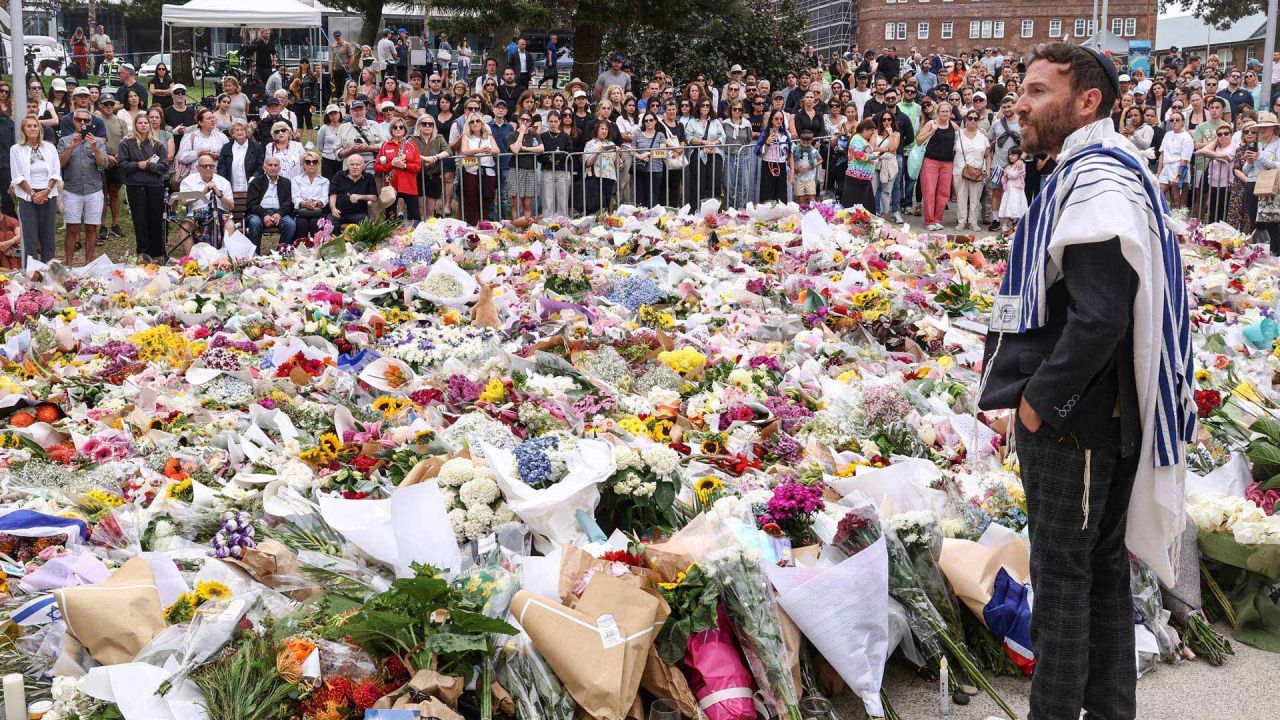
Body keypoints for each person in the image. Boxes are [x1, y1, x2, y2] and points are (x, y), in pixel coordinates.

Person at [978, 42, 1196, 720]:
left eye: (1038, 91)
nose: (1020, 104)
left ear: (1087, 102)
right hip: (1097, 421)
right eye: (1023, 90)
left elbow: (1101, 318)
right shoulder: (1095, 170)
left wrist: (1041, 404)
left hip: (1076, 427)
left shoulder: (1098, 181)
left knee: (1064, 588)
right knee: (1099, 580)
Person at [58, 109, 107, 266]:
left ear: (91, 123)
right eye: (79, 120)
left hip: (94, 190)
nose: (82, 123)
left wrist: (95, 147)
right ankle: (69, 264)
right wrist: (71, 147)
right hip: (72, 190)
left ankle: (88, 264)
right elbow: (59, 164)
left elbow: (103, 164)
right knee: (72, 229)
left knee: (91, 228)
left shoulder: (98, 142)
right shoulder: (64, 141)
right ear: (74, 121)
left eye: (86, 120)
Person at [118, 114, 170, 261]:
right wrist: (137, 165)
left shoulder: (157, 145)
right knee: (140, 219)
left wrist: (148, 166)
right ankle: (143, 252)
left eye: (145, 122)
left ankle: (157, 253)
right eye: (140, 123)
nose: (143, 125)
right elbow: (122, 165)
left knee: (155, 219)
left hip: (155, 186)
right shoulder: (126, 143)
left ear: (149, 125)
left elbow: (164, 166)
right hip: (135, 185)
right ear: (135, 125)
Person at [9, 116, 61, 263]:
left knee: (48, 238)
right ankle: (31, 273)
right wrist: (33, 194)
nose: (33, 128)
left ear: (40, 129)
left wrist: (46, 191)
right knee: (30, 238)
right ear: (23, 130)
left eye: (35, 126)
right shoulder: (16, 149)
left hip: (48, 194)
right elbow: (17, 175)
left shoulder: (49, 148)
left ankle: (49, 271)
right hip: (27, 196)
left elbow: (56, 171)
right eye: (29, 126)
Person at [177, 154, 235, 254]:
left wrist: (219, 194)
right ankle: (191, 260)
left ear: (214, 167)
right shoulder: (188, 181)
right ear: (198, 168)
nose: (208, 168)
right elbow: (184, 202)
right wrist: (202, 193)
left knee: (230, 225)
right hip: (195, 216)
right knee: (185, 228)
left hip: (220, 215)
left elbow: (231, 206)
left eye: (211, 166)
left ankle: (226, 258)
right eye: (204, 166)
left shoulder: (224, 182)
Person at [916, 101, 957, 231]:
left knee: (944, 192)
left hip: (947, 162)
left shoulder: (953, 125)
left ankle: (938, 219)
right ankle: (929, 221)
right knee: (929, 190)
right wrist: (931, 132)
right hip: (931, 161)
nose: (945, 113)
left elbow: (964, 136)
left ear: (950, 113)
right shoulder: (931, 123)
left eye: (947, 111)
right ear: (937, 112)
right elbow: (918, 140)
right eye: (942, 111)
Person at [375, 118, 423, 223]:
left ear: (405, 129)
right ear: (391, 129)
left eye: (401, 127)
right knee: (390, 219)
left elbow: (417, 167)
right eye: (395, 127)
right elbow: (377, 167)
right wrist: (390, 164)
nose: (398, 129)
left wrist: (404, 165)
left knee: (414, 218)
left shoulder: (412, 145)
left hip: (409, 185)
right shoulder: (385, 146)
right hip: (391, 186)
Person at [217, 119, 264, 221]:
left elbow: (260, 166)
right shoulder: (226, 148)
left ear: (246, 132)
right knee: (233, 213)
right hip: (231, 187)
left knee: (250, 213)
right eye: (236, 130)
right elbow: (221, 167)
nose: (239, 132)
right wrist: (224, 184)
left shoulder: (256, 147)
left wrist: (254, 177)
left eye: (242, 130)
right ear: (232, 133)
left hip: (250, 186)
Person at [245, 155, 296, 248]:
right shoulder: (256, 182)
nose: (273, 168)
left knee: (290, 224)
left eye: (275, 165)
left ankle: (281, 251)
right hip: (259, 213)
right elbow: (252, 204)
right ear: (264, 167)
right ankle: (254, 253)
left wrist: (280, 213)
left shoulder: (286, 182)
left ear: (279, 168)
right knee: (254, 222)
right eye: (270, 165)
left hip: (279, 213)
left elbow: (289, 202)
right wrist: (264, 215)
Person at [988, 95, 1022, 229]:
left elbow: (1027, 143)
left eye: (1009, 106)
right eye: (1004, 107)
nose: (1007, 109)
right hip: (998, 164)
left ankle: (1013, 219)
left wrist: (1021, 159)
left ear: (1015, 106)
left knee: (1014, 193)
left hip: (1015, 166)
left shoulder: (1022, 122)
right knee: (996, 192)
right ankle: (995, 219)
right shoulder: (997, 123)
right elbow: (990, 139)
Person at [953, 108, 990, 232]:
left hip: (977, 170)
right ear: (966, 119)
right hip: (960, 170)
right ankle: (961, 221)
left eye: (975, 118)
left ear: (978, 120)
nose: (972, 121)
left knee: (975, 198)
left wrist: (987, 169)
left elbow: (987, 154)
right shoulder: (958, 134)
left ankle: (973, 222)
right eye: (970, 118)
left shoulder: (982, 135)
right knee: (961, 198)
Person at [1194, 121, 1237, 223]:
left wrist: (1208, 153)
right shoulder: (1216, 147)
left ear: (1231, 135)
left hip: (1226, 185)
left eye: (1226, 133)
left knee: (1223, 213)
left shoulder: (1233, 147)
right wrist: (1215, 141)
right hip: (1213, 184)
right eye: (1219, 134)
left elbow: (1222, 157)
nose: (1223, 136)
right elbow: (1200, 152)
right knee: (1213, 212)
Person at [1249, 113, 1280, 251]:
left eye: (1266, 126)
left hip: (1276, 187)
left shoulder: (1278, 143)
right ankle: (1271, 253)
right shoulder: (1257, 144)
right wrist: (1249, 161)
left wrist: (1259, 157)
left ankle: (1276, 253)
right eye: (1260, 127)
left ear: (1274, 127)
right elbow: (1246, 170)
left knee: (1276, 223)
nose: (1262, 129)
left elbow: (1278, 165)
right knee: (1266, 224)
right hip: (1260, 186)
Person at [98, 95, 127, 238]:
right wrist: (105, 156)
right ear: (100, 105)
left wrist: (118, 156)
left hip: (117, 160)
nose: (109, 107)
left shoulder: (120, 122)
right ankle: (102, 225)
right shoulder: (96, 121)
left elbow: (125, 141)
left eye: (111, 104)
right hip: (101, 160)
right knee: (102, 194)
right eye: (106, 104)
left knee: (114, 193)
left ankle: (116, 224)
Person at [176, 108, 229, 187]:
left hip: (217, 178)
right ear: (200, 122)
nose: (212, 120)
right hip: (195, 179)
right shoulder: (190, 136)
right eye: (209, 118)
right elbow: (182, 157)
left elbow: (229, 156)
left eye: (213, 117)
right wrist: (198, 154)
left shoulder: (221, 136)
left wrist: (218, 156)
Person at [1225, 120, 1260, 234]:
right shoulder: (1240, 149)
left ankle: (1250, 239)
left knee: (1251, 215)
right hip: (1240, 186)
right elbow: (1236, 168)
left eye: (1253, 132)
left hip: (1257, 186)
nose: (1249, 134)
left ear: (1257, 133)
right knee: (1235, 215)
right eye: (1246, 132)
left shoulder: (1261, 148)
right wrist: (1248, 181)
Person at [413, 114, 449, 219]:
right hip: (418, 175)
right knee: (420, 209)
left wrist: (435, 157)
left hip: (434, 175)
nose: (427, 126)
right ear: (419, 126)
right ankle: (421, 227)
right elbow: (409, 153)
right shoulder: (412, 138)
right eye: (424, 124)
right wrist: (424, 158)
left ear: (434, 126)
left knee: (430, 209)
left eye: (430, 124)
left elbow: (448, 151)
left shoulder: (439, 138)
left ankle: (430, 227)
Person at [507, 112, 542, 220]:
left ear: (531, 122)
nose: (525, 122)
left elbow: (541, 148)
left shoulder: (534, 135)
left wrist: (525, 149)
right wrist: (522, 132)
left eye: (528, 120)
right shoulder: (512, 135)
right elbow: (515, 150)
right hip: (516, 171)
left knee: (528, 204)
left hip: (531, 170)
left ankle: (526, 226)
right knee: (517, 204)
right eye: (523, 119)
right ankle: (517, 225)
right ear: (518, 120)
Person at [538, 111, 573, 217]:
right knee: (547, 200)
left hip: (562, 171)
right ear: (547, 122)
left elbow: (569, 152)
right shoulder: (542, 136)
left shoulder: (565, 137)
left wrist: (558, 157)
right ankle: (547, 220)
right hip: (547, 170)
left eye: (555, 121)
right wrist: (549, 158)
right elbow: (539, 154)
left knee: (562, 199)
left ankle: (562, 221)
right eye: (551, 121)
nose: (553, 124)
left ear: (559, 122)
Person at [336, 100, 387, 170]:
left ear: (365, 111)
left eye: (361, 110)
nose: (359, 112)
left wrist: (369, 148)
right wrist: (351, 150)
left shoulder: (375, 125)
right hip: (351, 172)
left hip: (373, 170)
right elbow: (337, 152)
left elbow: (385, 145)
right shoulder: (343, 128)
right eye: (355, 110)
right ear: (350, 112)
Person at [1157, 112, 1193, 209]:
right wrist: (1159, 173)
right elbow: (1162, 154)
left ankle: (1180, 218)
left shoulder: (1186, 137)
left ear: (1183, 122)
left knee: (1178, 202)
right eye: (1172, 120)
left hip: (1178, 168)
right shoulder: (1167, 134)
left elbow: (1184, 159)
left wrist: (1178, 177)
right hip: (1166, 167)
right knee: (1158, 195)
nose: (1174, 122)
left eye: (1177, 120)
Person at [755, 109, 791, 204]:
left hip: (781, 164)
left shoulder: (786, 134)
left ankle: (780, 212)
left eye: (781, 119)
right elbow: (758, 152)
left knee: (781, 193)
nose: (779, 121)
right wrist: (766, 143)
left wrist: (792, 171)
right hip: (768, 164)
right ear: (771, 120)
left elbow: (789, 153)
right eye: (776, 119)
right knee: (768, 192)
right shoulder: (765, 133)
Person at [584, 118, 619, 213]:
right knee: (596, 203)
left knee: (607, 202)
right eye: (602, 128)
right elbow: (587, 164)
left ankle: (608, 219)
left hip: (609, 176)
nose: (604, 131)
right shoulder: (590, 144)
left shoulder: (611, 144)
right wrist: (597, 153)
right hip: (595, 177)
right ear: (597, 130)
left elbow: (618, 165)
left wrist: (618, 153)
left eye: (606, 129)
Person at [633, 111, 667, 208]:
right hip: (641, 169)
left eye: (651, 120)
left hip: (656, 169)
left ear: (655, 121)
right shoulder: (638, 134)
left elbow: (662, 152)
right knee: (641, 197)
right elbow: (632, 150)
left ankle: (653, 216)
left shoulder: (660, 135)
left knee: (653, 197)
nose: (648, 122)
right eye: (646, 120)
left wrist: (648, 153)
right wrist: (639, 156)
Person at [841, 118, 876, 210]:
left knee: (865, 206)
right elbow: (859, 156)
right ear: (865, 130)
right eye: (872, 130)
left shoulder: (862, 139)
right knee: (853, 206)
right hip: (856, 178)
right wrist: (872, 156)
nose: (873, 133)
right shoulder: (857, 140)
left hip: (863, 178)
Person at [870, 111, 900, 215]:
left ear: (893, 120)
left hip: (889, 164)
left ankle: (884, 215)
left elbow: (892, 148)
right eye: (884, 119)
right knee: (873, 190)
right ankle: (873, 213)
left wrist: (891, 134)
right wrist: (886, 149)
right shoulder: (875, 132)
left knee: (886, 192)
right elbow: (872, 147)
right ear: (881, 121)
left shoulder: (896, 134)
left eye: (889, 119)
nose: (886, 122)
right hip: (876, 163)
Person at [291, 59, 321, 137]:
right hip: (297, 102)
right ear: (300, 64)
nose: (304, 64)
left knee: (308, 121)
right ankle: (299, 140)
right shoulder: (294, 76)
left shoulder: (312, 77)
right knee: (299, 122)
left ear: (308, 64)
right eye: (302, 62)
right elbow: (290, 89)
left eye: (306, 62)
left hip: (308, 102)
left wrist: (314, 104)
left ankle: (309, 141)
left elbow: (315, 91)